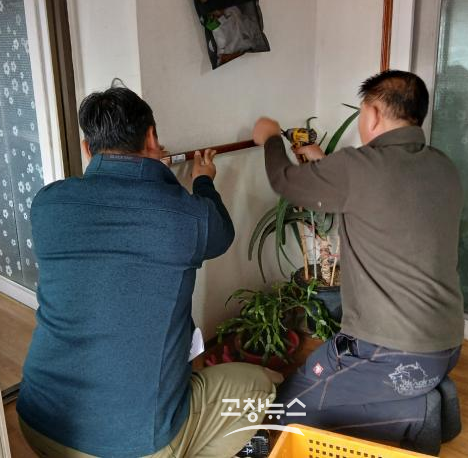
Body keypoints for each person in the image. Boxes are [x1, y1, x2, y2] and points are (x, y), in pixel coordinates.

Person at [17, 82, 282, 458]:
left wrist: (153, 174)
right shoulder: (188, 217)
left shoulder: (48, 205)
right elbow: (220, 231)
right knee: (260, 385)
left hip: (39, 421)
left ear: (87, 148)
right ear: (152, 137)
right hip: (135, 446)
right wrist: (203, 181)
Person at [252, 70, 465, 453]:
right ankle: (429, 393)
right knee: (325, 381)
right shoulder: (442, 165)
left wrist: (269, 136)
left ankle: (418, 410)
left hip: (393, 354)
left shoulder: (358, 168)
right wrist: (325, 163)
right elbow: (385, 199)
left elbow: (284, 179)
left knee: (290, 406)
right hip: (446, 342)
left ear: (374, 114)